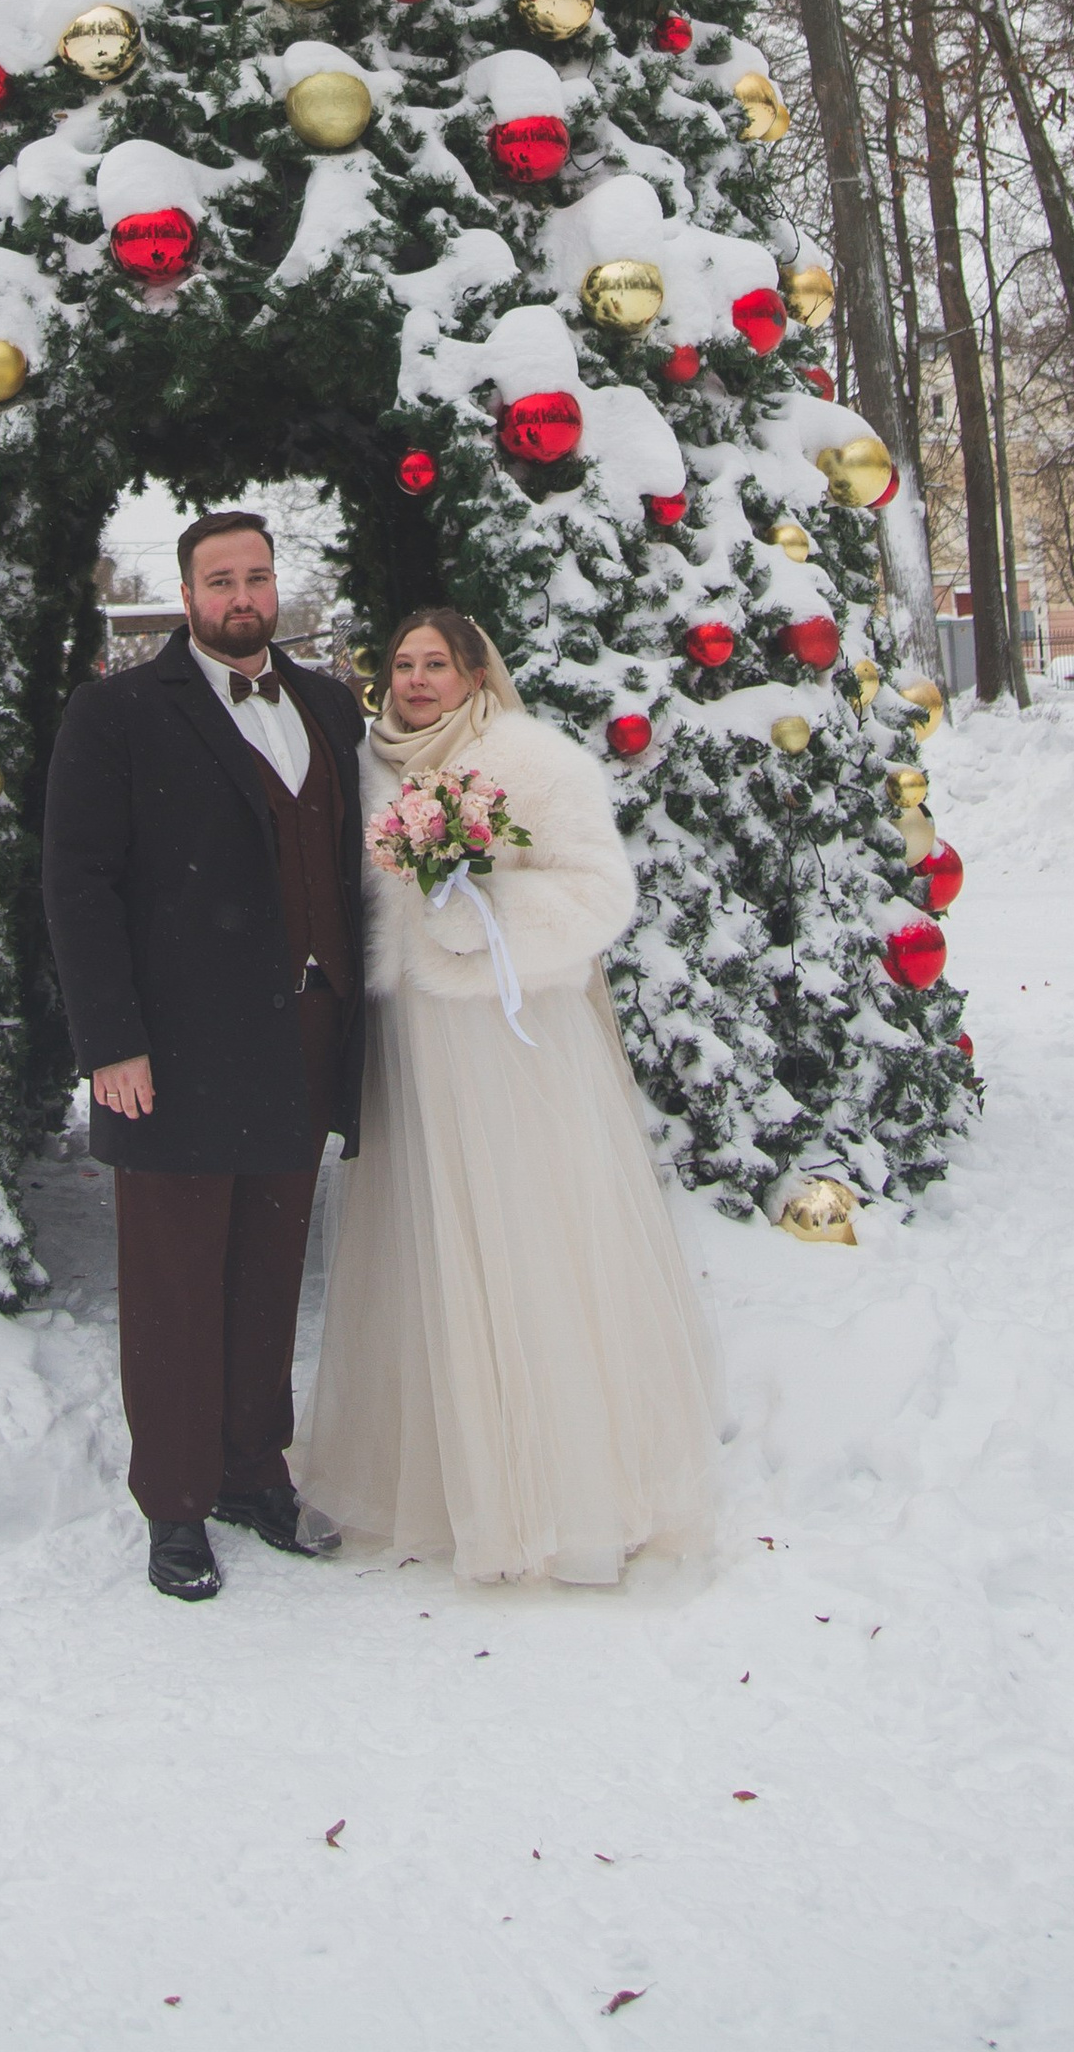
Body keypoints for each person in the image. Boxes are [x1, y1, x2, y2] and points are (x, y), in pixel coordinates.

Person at [295, 605, 720, 1586]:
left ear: (476, 675)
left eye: (436, 664)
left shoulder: (530, 759)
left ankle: (559, 1493)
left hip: (508, 1044)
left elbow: (598, 891)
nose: (416, 681)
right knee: (427, 1249)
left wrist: (480, 916)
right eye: (403, 664)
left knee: (528, 1247)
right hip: (410, 1050)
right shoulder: (366, 770)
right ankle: (447, 1485)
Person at [42, 510, 367, 1602]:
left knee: (269, 1270)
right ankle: (174, 1504)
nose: (241, 597)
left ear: (277, 587)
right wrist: (111, 1042)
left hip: (307, 1030)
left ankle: (252, 1472)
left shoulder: (329, 706)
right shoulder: (118, 712)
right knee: (176, 1282)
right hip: (173, 1049)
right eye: (219, 580)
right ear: (185, 597)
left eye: (256, 577)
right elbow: (77, 883)